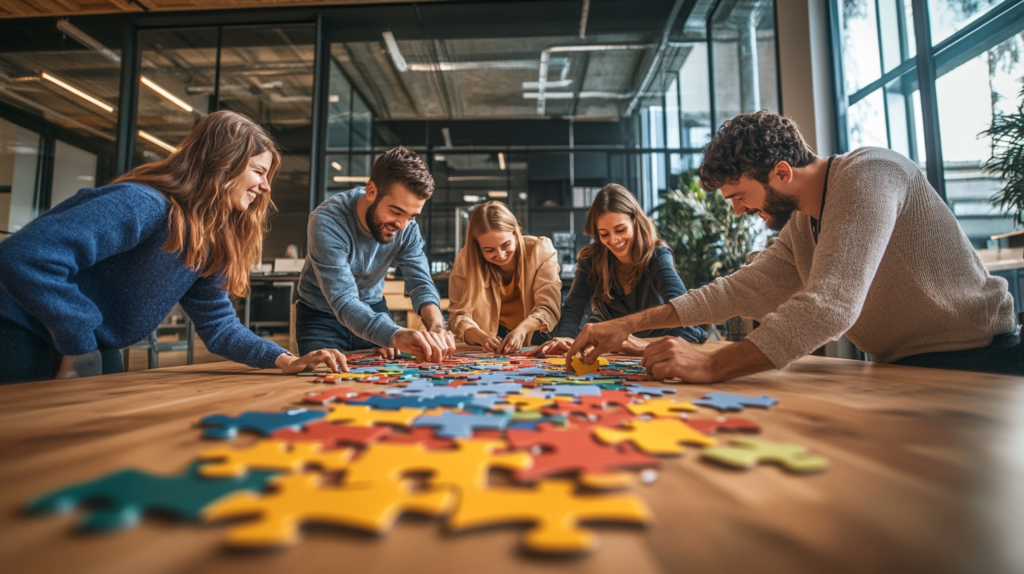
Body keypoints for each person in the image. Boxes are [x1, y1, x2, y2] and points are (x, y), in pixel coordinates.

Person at [568, 110, 1021, 380]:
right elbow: (737, 291)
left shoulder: (870, 173)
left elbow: (830, 306)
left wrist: (711, 366)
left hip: (981, 362)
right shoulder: (803, 224)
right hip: (904, 368)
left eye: (741, 197)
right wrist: (624, 325)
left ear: (782, 173)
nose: (740, 211)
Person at [0, 111, 347, 384]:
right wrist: (79, 340)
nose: (266, 187)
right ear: (222, 163)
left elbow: (219, 326)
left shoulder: (207, 238)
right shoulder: (142, 203)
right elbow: (25, 257)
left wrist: (285, 360)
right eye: (259, 171)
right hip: (22, 328)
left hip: (90, 343)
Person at [296, 146, 454, 362]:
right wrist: (393, 334)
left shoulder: (407, 227)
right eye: (396, 212)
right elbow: (343, 298)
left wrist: (437, 327)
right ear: (371, 191)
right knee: (318, 381)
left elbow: (420, 283)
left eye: (412, 216)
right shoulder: (327, 221)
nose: (402, 225)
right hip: (321, 316)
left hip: (372, 305)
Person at [533, 184, 707, 357]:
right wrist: (565, 338)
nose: (614, 240)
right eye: (604, 234)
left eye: (620, 230)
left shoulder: (657, 256)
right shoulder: (590, 259)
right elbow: (574, 306)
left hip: (661, 349)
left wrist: (640, 346)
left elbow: (686, 312)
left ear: (635, 222)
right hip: (614, 353)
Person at [448, 201, 561, 354]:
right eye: (489, 250)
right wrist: (482, 338)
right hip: (488, 340)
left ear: (517, 232)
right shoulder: (465, 260)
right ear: (477, 247)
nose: (500, 255)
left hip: (536, 332)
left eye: (505, 244)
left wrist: (521, 329)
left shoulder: (540, 250)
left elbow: (548, 308)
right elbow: (459, 316)